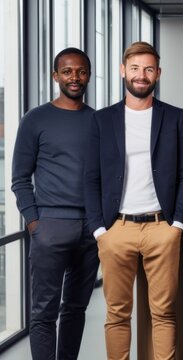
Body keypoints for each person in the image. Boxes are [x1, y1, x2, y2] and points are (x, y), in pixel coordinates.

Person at [84, 41, 183, 359]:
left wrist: (177, 224)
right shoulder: (102, 120)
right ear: (123, 71)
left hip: (162, 228)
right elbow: (91, 178)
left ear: (158, 74)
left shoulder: (174, 117)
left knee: (163, 314)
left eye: (148, 69)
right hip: (116, 229)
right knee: (117, 315)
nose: (141, 75)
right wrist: (99, 231)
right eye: (134, 68)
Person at [11, 47, 99, 360]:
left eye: (81, 71)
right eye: (67, 71)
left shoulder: (98, 121)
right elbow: (20, 178)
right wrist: (36, 223)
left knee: (76, 309)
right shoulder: (35, 119)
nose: (74, 77)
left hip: (91, 230)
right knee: (43, 313)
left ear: (89, 75)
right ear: (55, 76)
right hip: (50, 228)